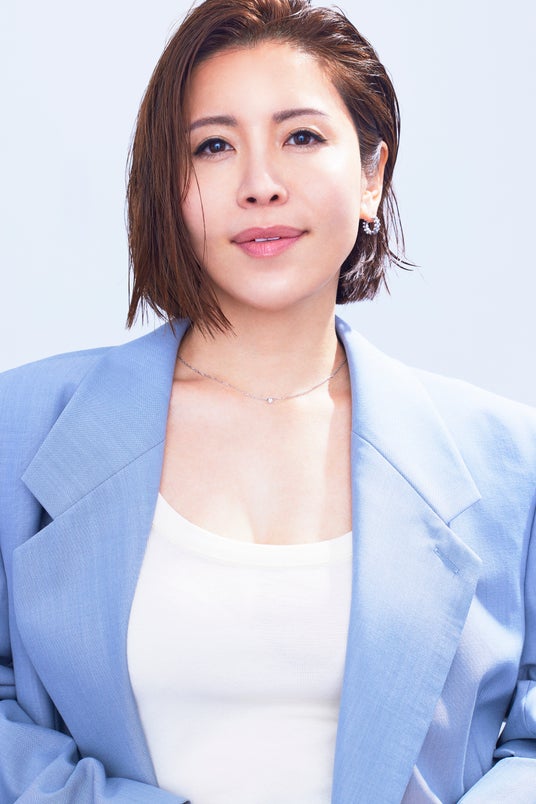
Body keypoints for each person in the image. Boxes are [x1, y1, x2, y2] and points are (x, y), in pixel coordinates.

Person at [1, 0, 535, 801]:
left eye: (302, 137)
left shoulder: (509, 461)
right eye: (213, 146)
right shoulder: (20, 427)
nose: (260, 185)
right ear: (170, 186)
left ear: (371, 175)